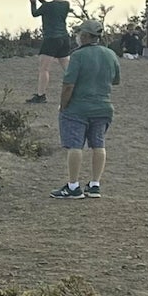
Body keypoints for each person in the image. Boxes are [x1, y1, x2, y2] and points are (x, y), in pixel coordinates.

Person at [54, 22, 120, 200]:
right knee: (99, 144)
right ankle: (95, 184)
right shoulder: (110, 54)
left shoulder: (78, 55)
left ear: (84, 36)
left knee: (75, 146)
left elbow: (68, 85)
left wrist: (63, 105)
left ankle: (73, 186)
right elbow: (115, 80)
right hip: (103, 107)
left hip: (78, 108)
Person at [28, 0, 73, 103]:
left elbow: (35, 13)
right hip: (64, 38)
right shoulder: (66, 4)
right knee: (68, 69)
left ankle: (41, 94)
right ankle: (79, 89)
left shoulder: (47, 6)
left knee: (44, 68)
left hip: (51, 39)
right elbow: (52, 6)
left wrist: (33, 2)